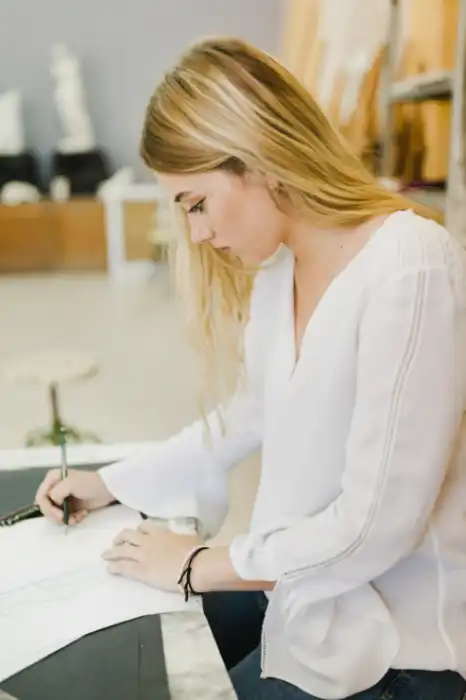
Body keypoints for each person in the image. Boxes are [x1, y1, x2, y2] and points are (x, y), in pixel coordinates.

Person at [35, 37, 466, 700]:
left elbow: (377, 522)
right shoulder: (281, 272)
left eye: (196, 203)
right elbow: (247, 415)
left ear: (259, 159)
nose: (199, 234)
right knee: (142, 625)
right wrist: (113, 482)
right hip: (315, 593)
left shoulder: (408, 263)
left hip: (397, 649)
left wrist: (201, 565)